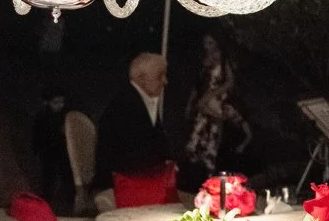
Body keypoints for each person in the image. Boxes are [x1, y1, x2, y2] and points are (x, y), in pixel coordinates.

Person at [95, 52, 184, 187]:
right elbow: (135, 153)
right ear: (141, 78)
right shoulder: (125, 105)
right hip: (122, 181)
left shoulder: (141, 99)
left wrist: (170, 162)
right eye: (160, 76)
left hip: (136, 173)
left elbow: (159, 144)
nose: (165, 81)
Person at [183, 33, 250, 177]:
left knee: (214, 135)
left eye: (211, 43)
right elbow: (197, 85)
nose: (208, 46)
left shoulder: (223, 59)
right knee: (197, 136)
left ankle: (209, 170)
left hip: (217, 100)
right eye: (205, 43)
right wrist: (191, 103)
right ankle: (193, 171)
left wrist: (211, 95)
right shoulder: (203, 61)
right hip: (202, 104)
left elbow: (229, 82)